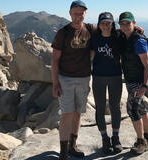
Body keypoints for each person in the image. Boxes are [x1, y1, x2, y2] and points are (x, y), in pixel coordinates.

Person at [51, 0, 95, 159]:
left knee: (77, 113)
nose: (79, 15)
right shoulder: (63, 33)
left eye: (82, 12)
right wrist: (55, 83)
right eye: (76, 13)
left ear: (85, 13)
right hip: (66, 79)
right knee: (66, 114)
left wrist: (135, 28)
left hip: (84, 79)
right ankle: (63, 152)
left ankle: (72, 146)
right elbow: (54, 60)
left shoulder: (90, 29)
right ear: (70, 13)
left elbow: (110, 30)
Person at [118, 11, 148, 154]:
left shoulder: (138, 41)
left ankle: (141, 141)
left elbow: (147, 66)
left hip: (137, 82)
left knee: (132, 109)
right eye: (123, 23)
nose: (126, 26)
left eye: (129, 23)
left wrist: (144, 86)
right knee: (141, 108)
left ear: (134, 23)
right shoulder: (125, 36)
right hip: (131, 79)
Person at [90, 12, 123, 154]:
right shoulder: (94, 39)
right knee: (100, 108)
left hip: (115, 76)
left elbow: (130, 32)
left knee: (115, 107)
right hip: (98, 77)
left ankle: (115, 137)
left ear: (112, 24)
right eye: (103, 23)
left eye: (108, 23)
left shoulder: (118, 37)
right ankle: (105, 138)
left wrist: (138, 28)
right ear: (99, 25)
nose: (106, 26)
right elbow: (90, 57)